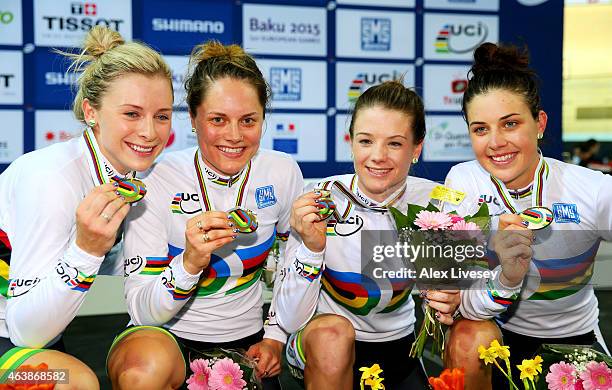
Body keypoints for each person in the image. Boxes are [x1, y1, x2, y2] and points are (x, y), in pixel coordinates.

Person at [106, 40, 303, 390]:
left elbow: (294, 261)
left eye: (248, 121)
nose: (234, 136)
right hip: (167, 341)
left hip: (250, 342)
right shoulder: (155, 177)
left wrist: (275, 336)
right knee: (141, 374)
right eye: (217, 120)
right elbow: (142, 311)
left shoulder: (282, 171)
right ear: (193, 119)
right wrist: (190, 262)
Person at [0, 26, 173, 388]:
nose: (150, 132)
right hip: (21, 333)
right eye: (131, 114)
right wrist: (86, 250)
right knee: (71, 381)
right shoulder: (52, 178)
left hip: (37, 333)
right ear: (92, 112)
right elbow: (25, 330)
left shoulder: (130, 177)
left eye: (161, 115)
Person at [443, 42, 612, 389]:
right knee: (468, 336)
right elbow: (465, 304)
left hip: (574, 340)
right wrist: (506, 276)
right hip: (496, 334)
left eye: (510, 124)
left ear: (539, 123)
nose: (495, 142)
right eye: (480, 129)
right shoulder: (464, 183)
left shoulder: (591, 188)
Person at [275, 81, 461, 390]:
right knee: (332, 337)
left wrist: (452, 297)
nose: (377, 156)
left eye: (395, 144)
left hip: (400, 348)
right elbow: (290, 320)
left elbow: (454, 303)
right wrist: (311, 247)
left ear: (417, 148)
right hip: (325, 343)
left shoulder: (438, 201)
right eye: (366, 141)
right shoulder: (320, 198)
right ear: (350, 142)